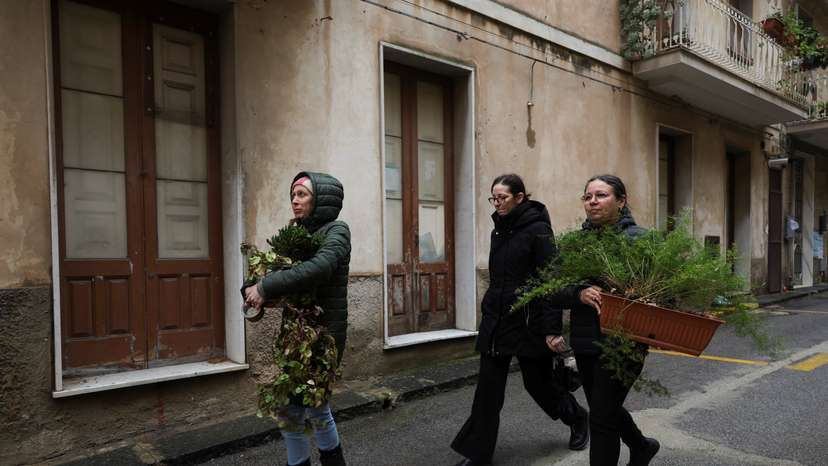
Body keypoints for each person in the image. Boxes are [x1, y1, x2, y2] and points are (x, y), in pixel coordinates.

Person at [451, 174, 591, 466]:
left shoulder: (539, 230)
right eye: (493, 198)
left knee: (538, 384)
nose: (497, 203)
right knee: (488, 390)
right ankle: (478, 454)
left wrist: (552, 329)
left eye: (502, 197)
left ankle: (577, 417)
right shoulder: (498, 231)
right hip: (498, 319)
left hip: (529, 320)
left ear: (520, 197)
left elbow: (551, 281)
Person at [244, 172, 350, 466]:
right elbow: (275, 271)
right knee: (316, 408)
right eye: (293, 194)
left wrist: (265, 287)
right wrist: (252, 287)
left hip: (322, 337)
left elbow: (320, 268)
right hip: (295, 334)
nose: (294, 200)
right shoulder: (295, 233)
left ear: (320, 199)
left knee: (291, 411)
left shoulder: (337, 232)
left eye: (302, 194)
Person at [571, 174, 660, 466]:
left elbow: (665, 287)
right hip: (585, 340)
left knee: (601, 417)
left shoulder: (641, 239)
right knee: (603, 409)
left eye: (601, 195)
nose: (592, 202)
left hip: (625, 342)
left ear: (621, 201)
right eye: (588, 197)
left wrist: (653, 298)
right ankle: (641, 445)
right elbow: (551, 289)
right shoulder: (576, 242)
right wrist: (578, 292)